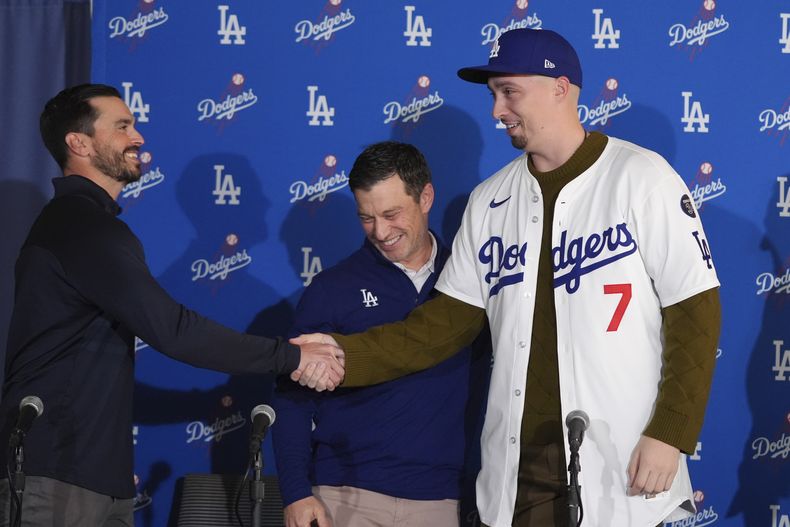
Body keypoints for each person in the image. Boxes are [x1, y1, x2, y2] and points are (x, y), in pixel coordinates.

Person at [292, 29, 722, 527]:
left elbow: (695, 312)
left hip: (619, 450)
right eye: (493, 94)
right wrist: (344, 356)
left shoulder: (642, 177)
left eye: (509, 92)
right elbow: (439, 328)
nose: (497, 110)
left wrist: (670, 432)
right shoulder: (490, 201)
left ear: (560, 88)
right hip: (522, 464)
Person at [0, 84, 342, 526]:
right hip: (56, 477)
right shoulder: (79, 225)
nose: (138, 136)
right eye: (122, 126)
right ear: (78, 143)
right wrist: (291, 356)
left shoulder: (87, 224)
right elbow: (172, 329)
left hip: (93, 478)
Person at [272, 141, 487, 527]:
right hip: (343, 496)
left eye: (391, 214)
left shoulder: (470, 283)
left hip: (441, 500)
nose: (380, 231)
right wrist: (297, 493)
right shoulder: (330, 288)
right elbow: (292, 402)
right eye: (366, 218)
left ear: (426, 197)